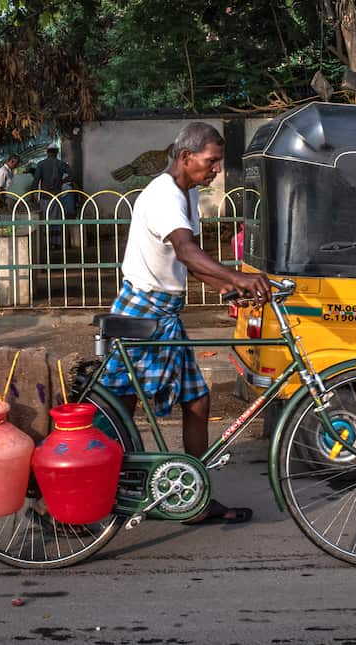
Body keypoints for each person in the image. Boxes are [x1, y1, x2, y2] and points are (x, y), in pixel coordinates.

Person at [99, 122, 271, 525]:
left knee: (196, 402)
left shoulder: (186, 193)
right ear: (185, 157)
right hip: (142, 313)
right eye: (210, 162)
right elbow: (188, 252)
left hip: (162, 313)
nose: (214, 171)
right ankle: (96, 485)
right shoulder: (163, 197)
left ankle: (190, 496)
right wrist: (237, 277)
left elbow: (190, 265)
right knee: (119, 408)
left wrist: (230, 286)